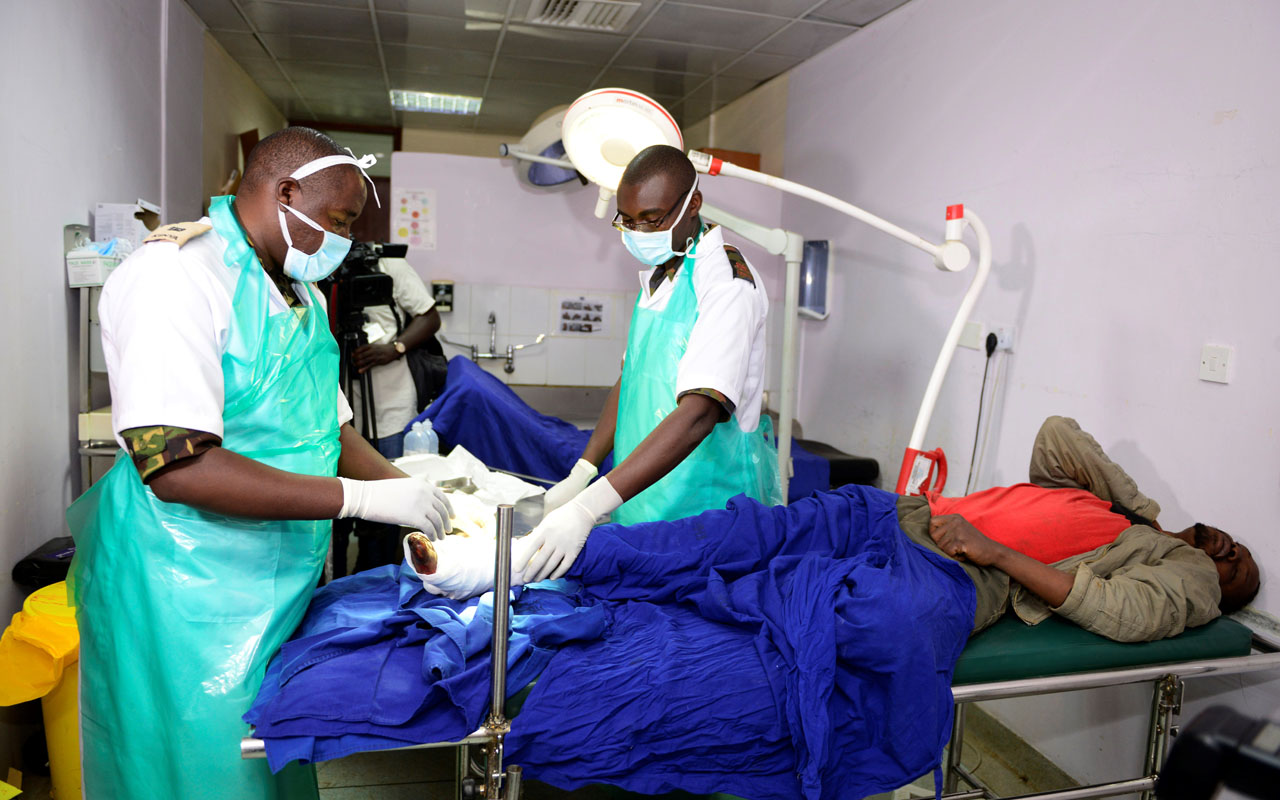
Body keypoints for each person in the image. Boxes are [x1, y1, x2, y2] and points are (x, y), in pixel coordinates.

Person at [67, 126, 454, 800]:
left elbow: (327, 430)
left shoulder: (295, 297)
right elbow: (176, 466)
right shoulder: (178, 276)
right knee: (202, 773)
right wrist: (358, 502)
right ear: (285, 193)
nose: (342, 241)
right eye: (337, 221)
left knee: (270, 769)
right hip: (183, 592)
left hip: (270, 589)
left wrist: (412, 493)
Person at [418, 416, 1259, 643]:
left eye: (1240, 567)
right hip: (896, 513)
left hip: (947, 572)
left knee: (743, 593)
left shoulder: (1180, 583)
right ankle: (502, 561)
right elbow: (1058, 434)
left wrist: (995, 551)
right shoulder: (1125, 518)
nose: (1228, 548)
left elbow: (1118, 614)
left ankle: (529, 585)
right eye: (1228, 543)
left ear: (1219, 595)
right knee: (720, 538)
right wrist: (1147, 513)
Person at [525, 144, 784, 582]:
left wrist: (589, 507)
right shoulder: (662, 276)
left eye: (652, 219)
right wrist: (582, 473)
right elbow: (631, 380)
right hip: (640, 505)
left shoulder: (725, 284)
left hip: (705, 523)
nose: (638, 231)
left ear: (692, 205)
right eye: (628, 220)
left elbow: (700, 413)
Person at [346, 254, 441, 459]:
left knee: (396, 482)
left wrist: (395, 348)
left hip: (393, 407)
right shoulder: (322, 272)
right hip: (344, 411)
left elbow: (430, 317)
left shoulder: (388, 265)